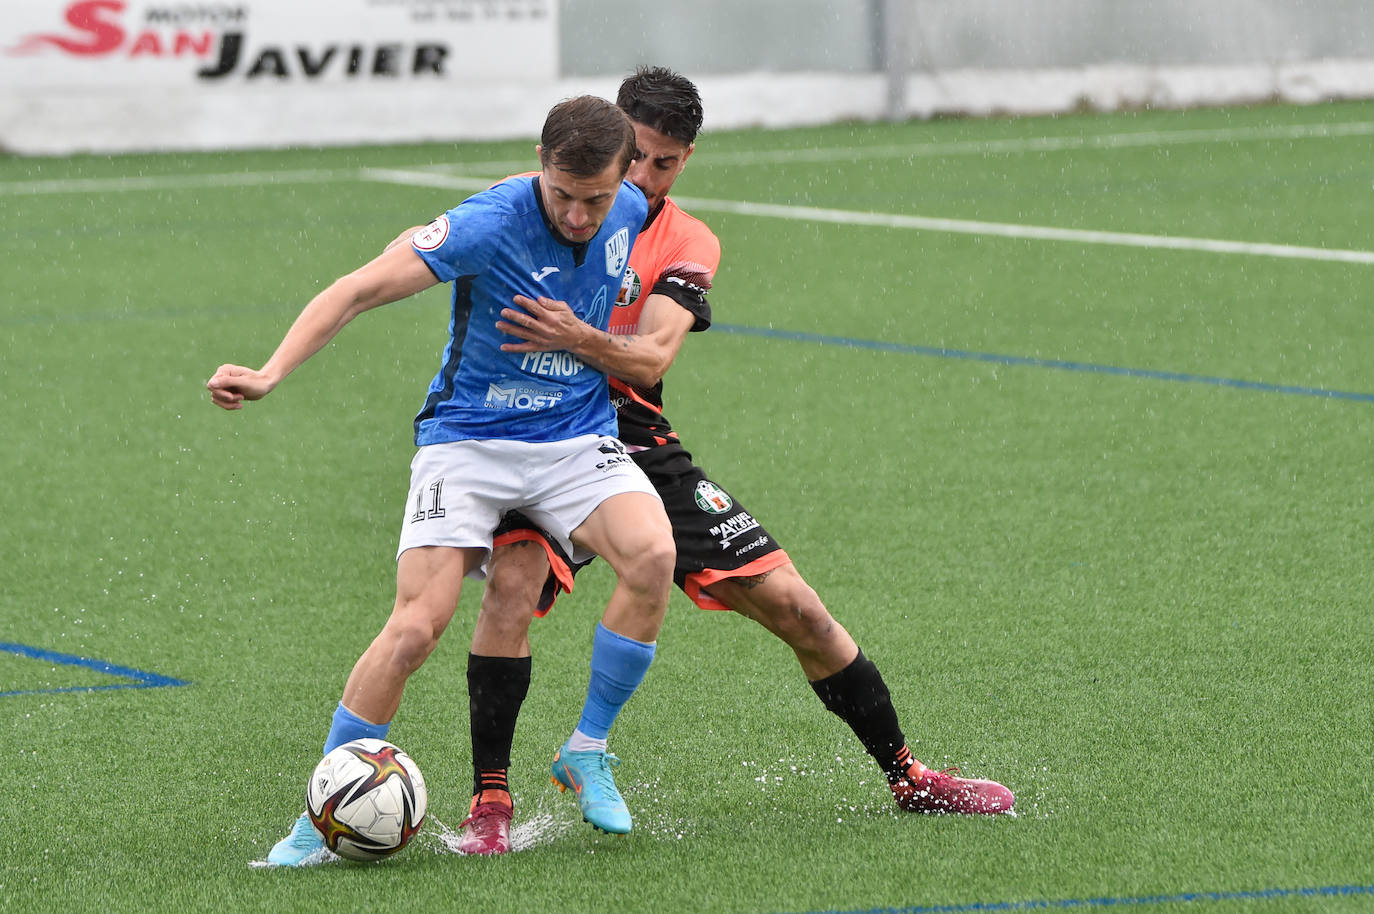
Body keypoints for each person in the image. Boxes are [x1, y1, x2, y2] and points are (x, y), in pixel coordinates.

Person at [452, 68, 1015, 856]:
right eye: (637, 157)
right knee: (509, 588)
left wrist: (578, 338)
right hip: (534, 432)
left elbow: (648, 360)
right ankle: (491, 806)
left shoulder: (687, 240)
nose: (644, 178)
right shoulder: (544, 199)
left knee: (797, 606)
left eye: (666, 162)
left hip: (634, 439)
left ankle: (908, 776)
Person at [206, 95, 676, 867]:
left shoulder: (630, 204)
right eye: (561, 194)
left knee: (653, 555)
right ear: (539, 164)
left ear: (625, 174)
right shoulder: (489, 223)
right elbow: (356, 288)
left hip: (574, 439)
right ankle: (316, 820)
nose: (580, 214)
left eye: (595, 198)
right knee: (418, 624)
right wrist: (270, 371)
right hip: (469, 442)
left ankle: (586, 749)